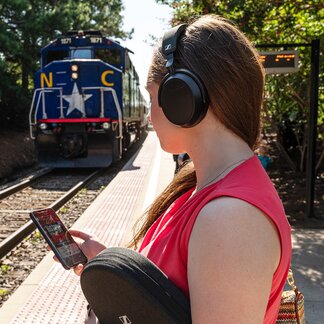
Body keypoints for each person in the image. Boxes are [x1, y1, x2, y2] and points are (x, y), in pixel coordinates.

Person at [69, 15, 292, 323]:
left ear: (181, 97)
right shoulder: (200, 188)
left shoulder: (230, 219)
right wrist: (115, 269)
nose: (148, 117)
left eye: (152, 97)